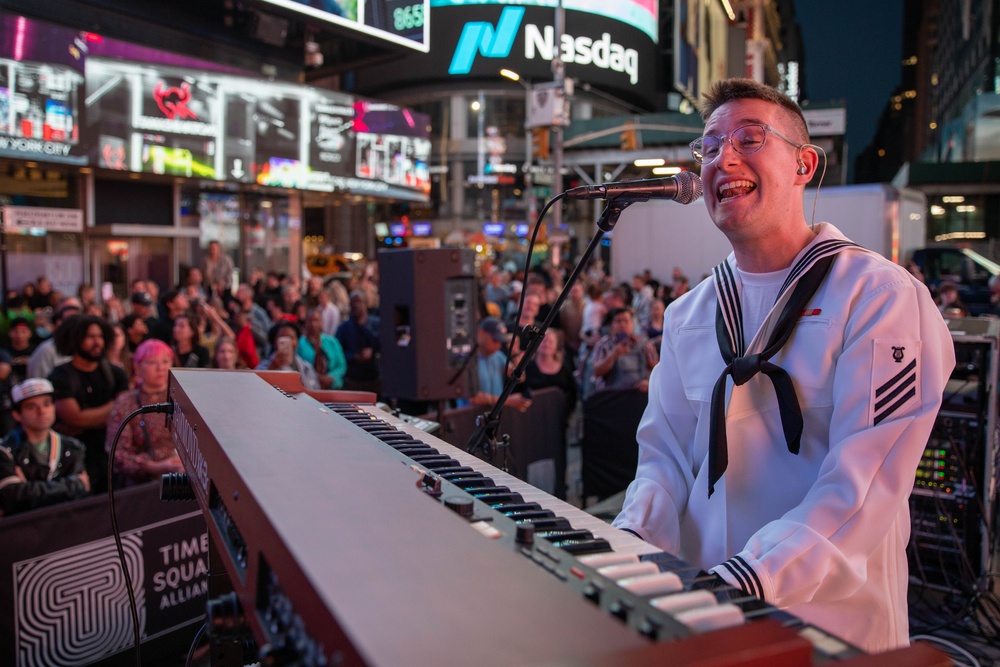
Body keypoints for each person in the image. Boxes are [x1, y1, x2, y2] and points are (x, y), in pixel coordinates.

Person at [612, 78, 955, 654]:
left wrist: (752, 576)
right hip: (704, 617)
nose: (724, 158)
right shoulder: (687, 315)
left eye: (750, 138)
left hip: (832, 628)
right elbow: (664, 463)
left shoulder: (880, 297)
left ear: (804, 164)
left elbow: (864, 484)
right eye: (710, 145)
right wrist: (622, 544)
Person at [48, 314, 130, 494]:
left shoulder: (115, 373)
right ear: (74, 339)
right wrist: (113, 407)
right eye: (90, 337)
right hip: (77, 462)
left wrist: (89, 418)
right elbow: (75, 418)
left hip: (111, 457)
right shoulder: (60, 376)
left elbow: (126, 412)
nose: (97, 342)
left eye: (100, 336)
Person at [0, 379, 90, 515]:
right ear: (17, 414)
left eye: (47, 404)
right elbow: (12, 497)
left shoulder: (73, 447)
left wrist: (28, 489)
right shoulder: (5, 450)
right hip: (23, 529)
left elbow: (81, 491)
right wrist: (68, 486)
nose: (42, 411)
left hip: (66, 522)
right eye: (31, 407)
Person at [105, 339, 184, 487]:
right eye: (152, 362)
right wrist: (153, 466)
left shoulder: (183, 398)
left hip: (184, 478)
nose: (160, 368)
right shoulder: (126, 403)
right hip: (145, 486)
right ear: (138, 366)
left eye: (166, 361)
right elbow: (118, 453)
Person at [467, 317, 531, 412]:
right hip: (469, 418)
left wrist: (515, 352)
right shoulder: (467, 359)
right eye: (495, 340)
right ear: (481, 333)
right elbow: (473, 398)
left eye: (501, 342)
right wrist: (507, 400)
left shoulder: (497, 355)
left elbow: (520, 378)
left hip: (493, 416)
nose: (499, 345)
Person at [588, 307, 658, 393]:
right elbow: (596, 372)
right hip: (612, 396)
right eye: (618, 321)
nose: (622, 325)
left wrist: (648, 382)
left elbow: (657, 371)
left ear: (632, 323)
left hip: (639, 395)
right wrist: (614, 354)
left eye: (626, 321)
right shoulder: (603, 345)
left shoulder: (645, 344)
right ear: (611, 324)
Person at [335, 291, 381, 395]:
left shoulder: (376, 324)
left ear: (365, 303)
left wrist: (372, 351)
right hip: (353, 380)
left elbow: (384, 345)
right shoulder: (344, 328)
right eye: (353, 303)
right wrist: (353, 356)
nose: (356, 305)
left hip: (374, 378)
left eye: (359, 302)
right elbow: (338, 353)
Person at [256, 321, 319, 390]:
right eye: (283, 337)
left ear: (297, 341)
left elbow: (315, 391)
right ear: (274, 341)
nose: (288, 341)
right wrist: (273, 367)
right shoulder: (264, 367)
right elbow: (256, 387)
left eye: (292, 337)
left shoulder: (307, 367)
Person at [297, 309, 347, 390]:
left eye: (316, 320)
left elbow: (341, 365)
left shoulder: (332, 342)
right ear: (306, 322)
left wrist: (331, 377)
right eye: (310, 321)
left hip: (333, 386)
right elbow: (298, 367)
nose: (313, 324)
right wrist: (316, 377)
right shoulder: (300, 344)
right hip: (309, 387)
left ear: (321, 322)